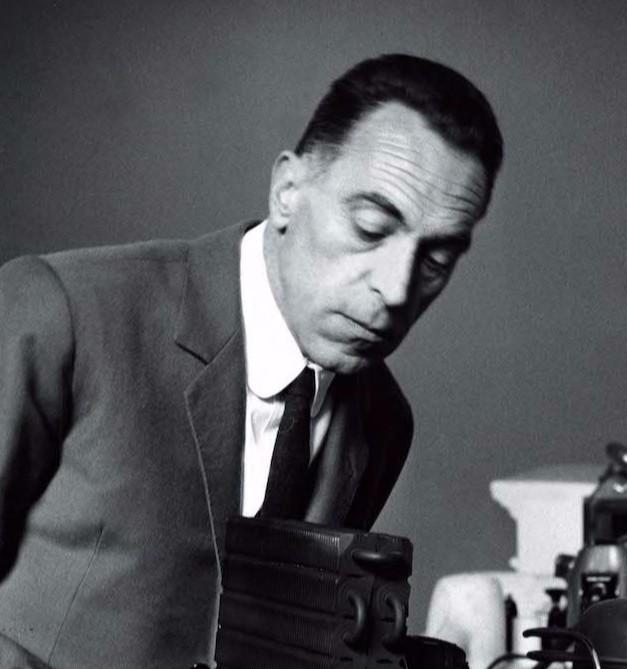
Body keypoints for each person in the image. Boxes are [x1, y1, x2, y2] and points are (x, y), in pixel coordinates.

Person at [0, 53, 503, 668]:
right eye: (371, 227)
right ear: (287, 191)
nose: (396, 290)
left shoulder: (384, 421)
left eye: (437, 260)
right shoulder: (61, 310)